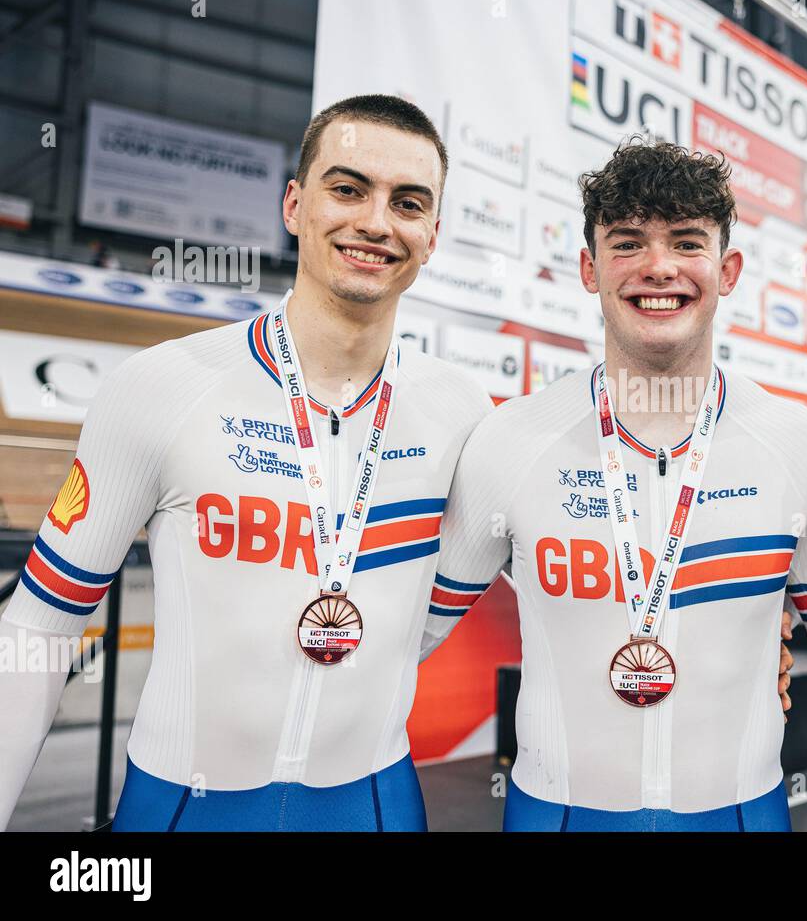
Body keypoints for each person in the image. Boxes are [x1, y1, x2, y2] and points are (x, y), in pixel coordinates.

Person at [0, 94, 493, 831]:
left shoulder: (459, 410)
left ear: (433, 234)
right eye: (348, 188)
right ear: (295, 204)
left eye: (408, 202)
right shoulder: (163, 386)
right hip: (180, 809)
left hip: (377, 808)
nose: (376, 222)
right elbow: (40, 627)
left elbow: (428, 617)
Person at [425, 140, 807, 831]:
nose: (659, 267)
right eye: (627, 243)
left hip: (743, 815)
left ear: (728, 269)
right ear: (588, 267)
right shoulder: (510, 442)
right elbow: (397, 635)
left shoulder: (796, 445)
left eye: (686, 242)